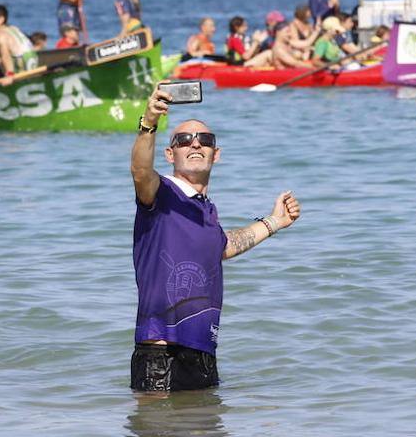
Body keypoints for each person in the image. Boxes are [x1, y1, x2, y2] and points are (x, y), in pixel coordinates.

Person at [129, 87, 303, 390]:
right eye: (184, 140)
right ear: (170, 154)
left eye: (205, 140)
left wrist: (275, 221)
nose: (195, 143)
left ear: (216, 154)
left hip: (204, 351)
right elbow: (140, 170)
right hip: (161, 352)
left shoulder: (206, 210)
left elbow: (223, 245)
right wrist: (149, 124)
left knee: (209, 436)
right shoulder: (160, 193)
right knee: (160, 436)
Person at [0, 4, 38, 81]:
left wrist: (10, 74)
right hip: (32, 61)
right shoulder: (13, 28)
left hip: (21, 65)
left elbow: (5, 56)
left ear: (1, 20)